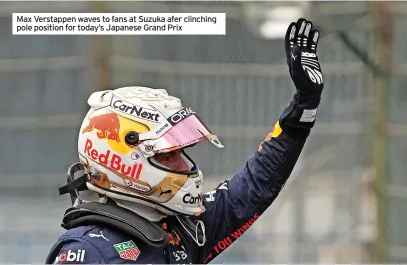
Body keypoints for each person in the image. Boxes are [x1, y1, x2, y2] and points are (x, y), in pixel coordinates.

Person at [46, 18, 324, 264]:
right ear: (123, 162)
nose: (182, 164)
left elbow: (255, 187)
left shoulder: (182, 230)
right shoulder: (85, 252)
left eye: (180, 152)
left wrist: (304, 105)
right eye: (167, 155)